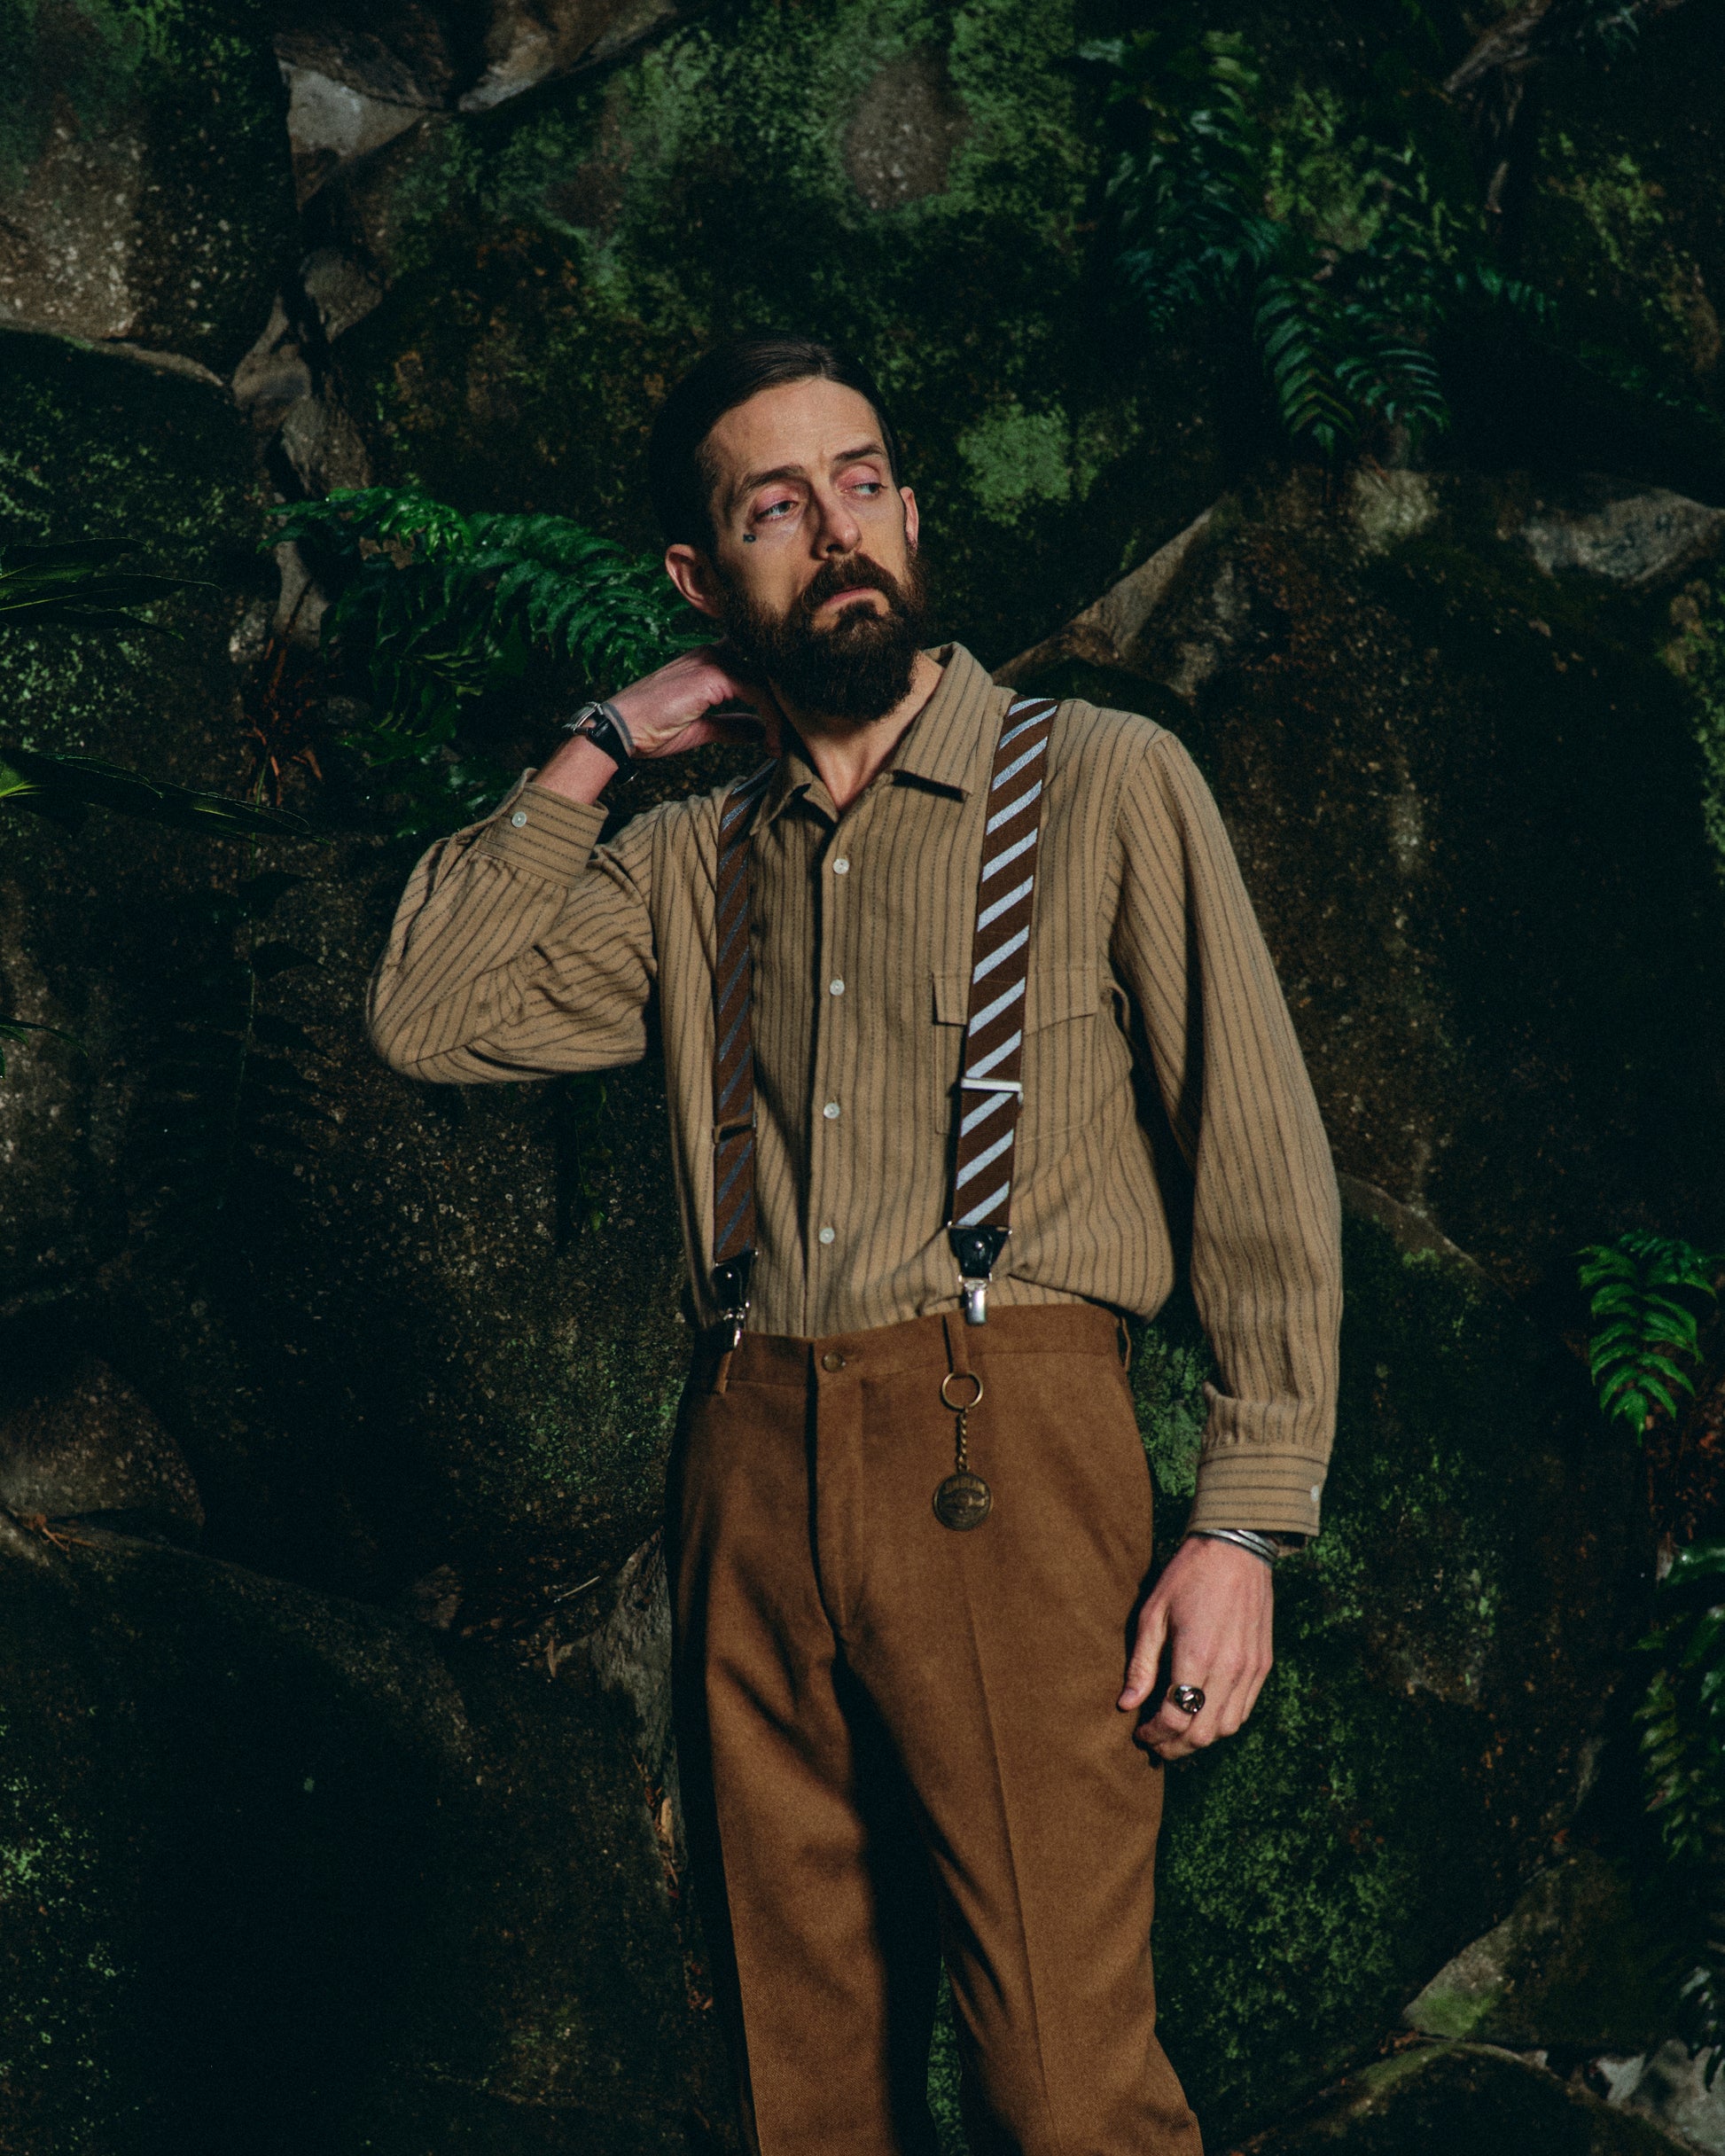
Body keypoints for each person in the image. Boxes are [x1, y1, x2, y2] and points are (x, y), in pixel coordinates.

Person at [368, 332, 1343, 2156]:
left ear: (910, 509)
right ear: (700, 578)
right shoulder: (690, 862)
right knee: (795, 2086)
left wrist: (1241, 1523)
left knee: (1061, 2084)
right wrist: (604, 741)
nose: (836, 532)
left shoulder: (1100, 779)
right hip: (744, 1455)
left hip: (1009, 1445)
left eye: (864, 482)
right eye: (776, 506)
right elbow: (430, 1013)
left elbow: (1258, 1162)